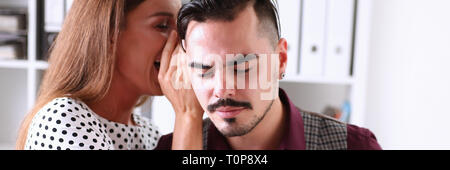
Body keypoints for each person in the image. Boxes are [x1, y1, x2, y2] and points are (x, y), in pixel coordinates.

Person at [156, 0, 382, 150]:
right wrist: (187, 117)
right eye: (204, 70)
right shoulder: (172, 146)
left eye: (242, 67)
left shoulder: (353, 146)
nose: (222, 89)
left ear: (281, 59)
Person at [16, 0, 204, 150]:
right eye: (162, 25)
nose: (181, 43)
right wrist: (188, 115)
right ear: (109, 34)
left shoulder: (149, 133)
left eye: (180, 29)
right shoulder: (63, 119)